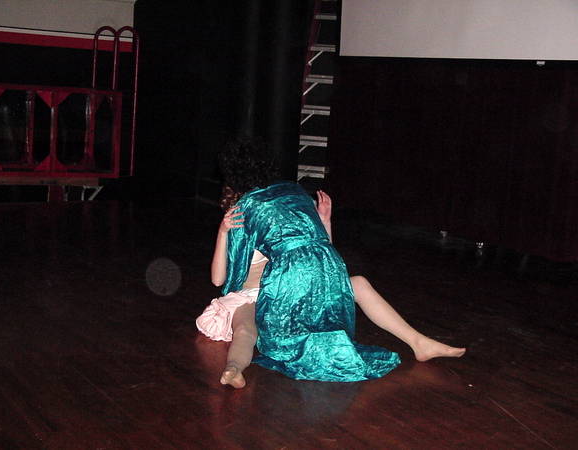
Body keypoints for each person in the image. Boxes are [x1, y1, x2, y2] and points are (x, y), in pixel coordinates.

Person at [197, 139, 464, 386]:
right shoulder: (241, 219)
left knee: (359, 284)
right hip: (254, 298)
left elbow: (323, 261)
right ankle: (234, 368)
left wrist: (324, 221)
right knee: (245, 329)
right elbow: (218, 280)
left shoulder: (286, 216)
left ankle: (418, 342)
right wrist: (223, 231)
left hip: (292, 295)